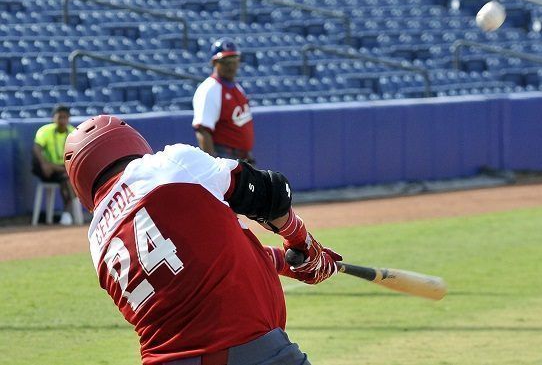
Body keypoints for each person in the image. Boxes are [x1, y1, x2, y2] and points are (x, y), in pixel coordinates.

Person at [63, 115, 342, 365]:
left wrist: (285, 262)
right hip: (247, 350)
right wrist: (302, 244)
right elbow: (272, 194)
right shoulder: (168, 165)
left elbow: (192, 266)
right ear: (130, 142)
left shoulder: (97, 241)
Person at [192, 37, 255, 165]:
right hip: (224, 158)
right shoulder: (210, 89)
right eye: (225, 61)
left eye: (234, 61)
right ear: (214, 63)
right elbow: (203, 131)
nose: (231, 66)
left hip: (242, 158)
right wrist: (212, 166)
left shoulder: (236, 87)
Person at [32, 104, 76, 225]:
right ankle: (67, 214)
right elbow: (36, 148)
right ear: (53, 118)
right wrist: (45, 164)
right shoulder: (45, 131)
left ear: (68, 118)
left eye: (65, 117)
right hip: (46, 170)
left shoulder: (73, 133)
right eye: (59, 117)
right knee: (65, 177)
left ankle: (67, 213)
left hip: (65, 169)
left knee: (68, 178)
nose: (62, 120)